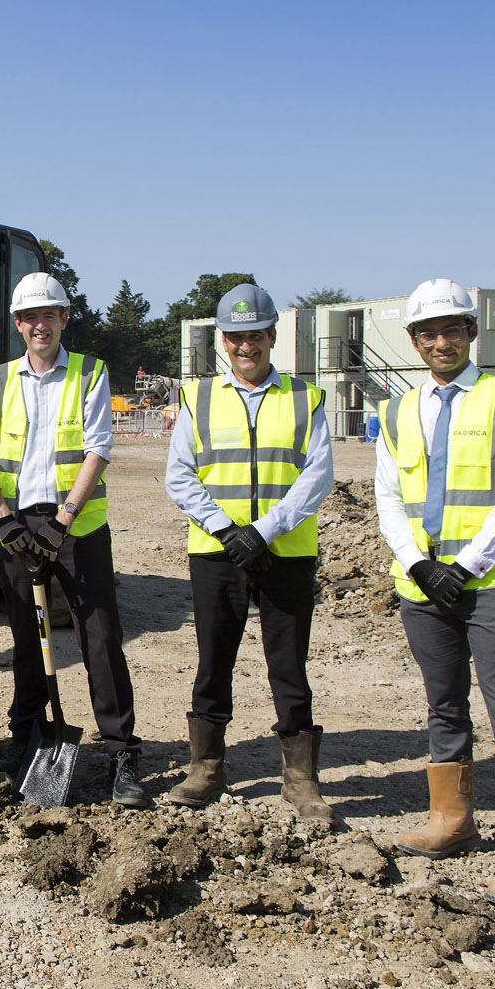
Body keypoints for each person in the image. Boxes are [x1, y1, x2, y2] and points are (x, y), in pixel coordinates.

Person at [376, 279, 495, 908]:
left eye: (451, 330)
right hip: (424, 586)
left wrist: (468, 564)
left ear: (472, 333)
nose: (440, 342)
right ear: (415, 341)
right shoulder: (399, 409)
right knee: (443, 703)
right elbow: (388, 496)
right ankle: (452, 819)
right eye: (428, 333)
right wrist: (419, 564)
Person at [0, 272, 150, 809]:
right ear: (18, 325)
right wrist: (3, 517)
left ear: (64, 319)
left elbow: (98, 449)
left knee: (100, 641)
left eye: (49, 315)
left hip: (78, 531)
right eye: (29, 317)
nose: (39, 325)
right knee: (27, 639)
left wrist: (63, 519)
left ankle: (120, 754)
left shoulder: (90, 373)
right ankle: (27, 743)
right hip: (19, 528)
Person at [163, 283, 335, 820]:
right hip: (217, 553)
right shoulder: (200, 397)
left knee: (288, 664)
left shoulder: (305, 397)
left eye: (255, 335)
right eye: (236, 337)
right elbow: (180, 475)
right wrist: (224, 528)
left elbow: (318, 474)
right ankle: (206, 767)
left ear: (272, 337)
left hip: (285, 553)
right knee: (213, 659)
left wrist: (264, 530)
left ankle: (300, 777)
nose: (246, 346)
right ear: (224, 339)